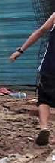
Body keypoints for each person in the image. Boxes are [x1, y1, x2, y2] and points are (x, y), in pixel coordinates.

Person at [10, 12, 55, 145]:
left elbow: (39, 32)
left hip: (50, 66)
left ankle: (44, 127)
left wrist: (20, 50)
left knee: (44, 99)